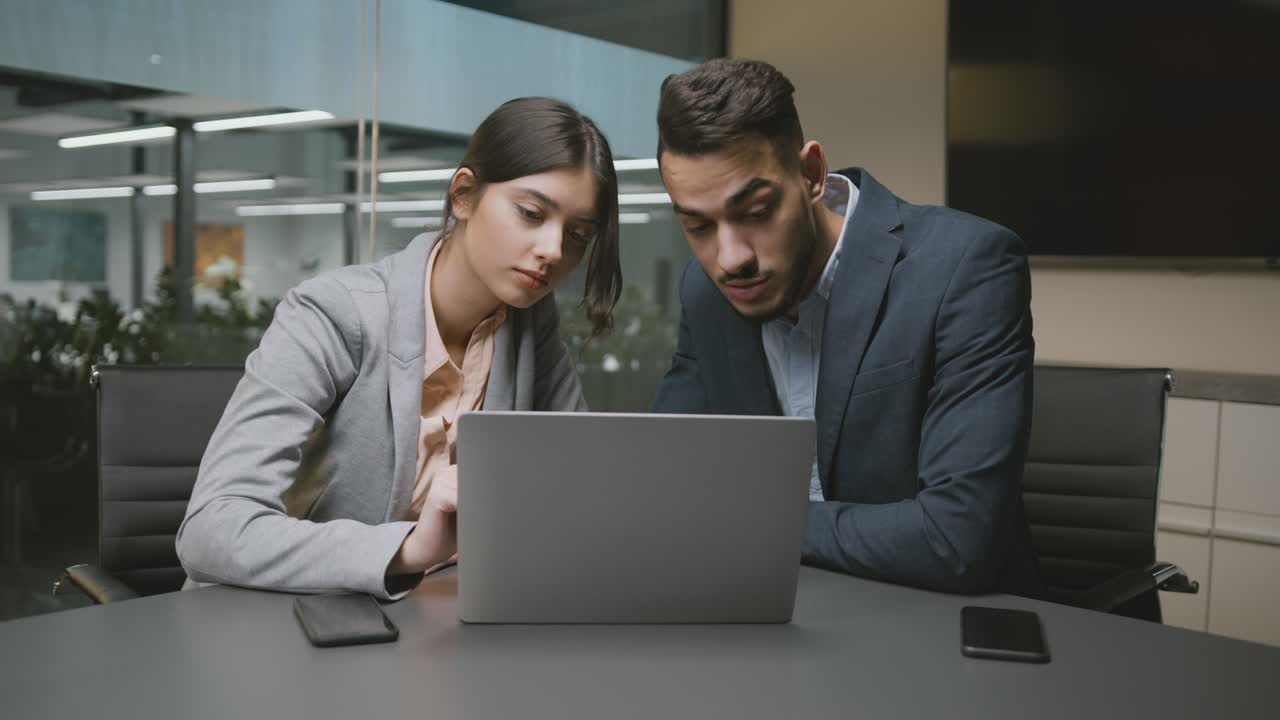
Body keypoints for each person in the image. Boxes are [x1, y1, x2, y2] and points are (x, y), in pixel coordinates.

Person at [176, 97, 621, 599]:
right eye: (531, 213)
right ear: (464, 195)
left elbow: (579, 494)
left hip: (432, 623)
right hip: (279, 621)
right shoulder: (333, 313)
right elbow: (210, 529)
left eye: (578, 235)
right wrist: (409, 549)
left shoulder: (529, 325)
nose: (554, 251)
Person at [650, 59, 1042, 596]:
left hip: (937, 629)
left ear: (810, 175)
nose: (730, 258)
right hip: (775, 611)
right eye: (697, 225)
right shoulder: (705, 289)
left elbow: (957, 539)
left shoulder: (965, 266)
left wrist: (749, 524)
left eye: (758, 211)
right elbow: (665, 485)